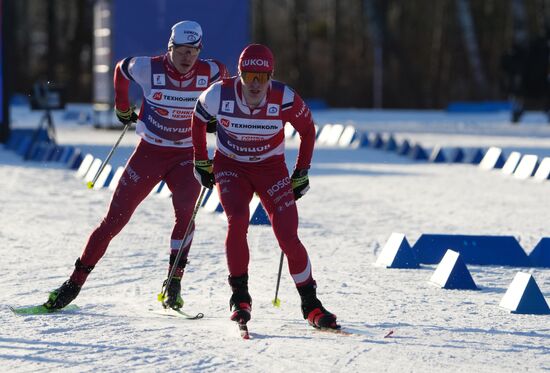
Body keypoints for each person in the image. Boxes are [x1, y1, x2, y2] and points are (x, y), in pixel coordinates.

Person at [43, 21, 228, 311]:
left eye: (192, 51)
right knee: (114, 221)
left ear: (199, 51)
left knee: (185, 216)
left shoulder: (212, 71)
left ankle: (173, 283)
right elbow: (120, 69)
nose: (186, 58)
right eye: (180, 50)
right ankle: (73, 284)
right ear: (170, 48)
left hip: (186, 157)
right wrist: (121, 106)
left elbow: (225, 85)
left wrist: (216, 118)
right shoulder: (148, 68)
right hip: (150, 152)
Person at [191, 44, 339, 329]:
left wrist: (301, 172)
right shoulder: (218, 93)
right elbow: (197, 119)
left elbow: (308, 131)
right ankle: (240, 297)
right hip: (231, 167)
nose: (256, 84)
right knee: (237, 221)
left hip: (270, 170)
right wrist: (201, 161)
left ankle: (310, 304)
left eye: (263, 76)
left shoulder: (284, 97)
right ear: (239, 74)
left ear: (271, 75)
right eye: (249, 76)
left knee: (287, 235)